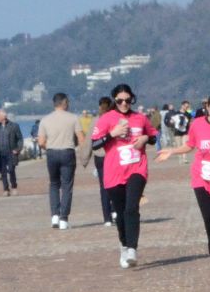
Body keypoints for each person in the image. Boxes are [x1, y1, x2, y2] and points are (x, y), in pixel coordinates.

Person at [158, 92, 210, 266]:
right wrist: (172, 151)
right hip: (201, 178)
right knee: (208, 218)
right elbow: (190, 145)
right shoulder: (197, 124)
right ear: (207, 108)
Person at [91, 83, 155, 268]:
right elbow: (94, 144)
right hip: (114, 172)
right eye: (120, 101)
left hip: (137, 169)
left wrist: (145, 138)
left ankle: (132, 249)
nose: (124, 104)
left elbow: (153, 136)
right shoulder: (106, 119)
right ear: (115, 100)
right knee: (120, 213)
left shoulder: (140, 118)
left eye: (128, 100)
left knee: (131, 208)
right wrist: (112, 134)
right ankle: (124, 245)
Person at [35, 92, 85, 229]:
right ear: (64, 103)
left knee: (54, 184)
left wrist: (50, 147)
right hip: (68, 152)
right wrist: (83, 154)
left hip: (52, 152)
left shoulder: (45, 120)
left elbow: (41, 142)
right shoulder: (73, 118)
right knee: (67, 186)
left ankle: (55, 216)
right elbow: (81, 139)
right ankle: (64, 219)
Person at [87, 96, 115, 224]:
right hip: (113, 155)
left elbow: (90, 140)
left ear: (99, 106)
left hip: (99, 156)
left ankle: (107, 218)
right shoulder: (114, 118)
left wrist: (84, 158)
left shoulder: (95, 121)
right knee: (116, 184)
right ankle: (115, 211)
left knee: (104, 187)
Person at [0, 109, 25, 194]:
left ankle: (14, 186)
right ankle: (6, 189)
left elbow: (20, 139)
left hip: (11, 153)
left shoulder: (14, 126)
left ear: (3, 117)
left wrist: (17, 149)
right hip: (0, 153)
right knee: (3, 172)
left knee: (11, 170)